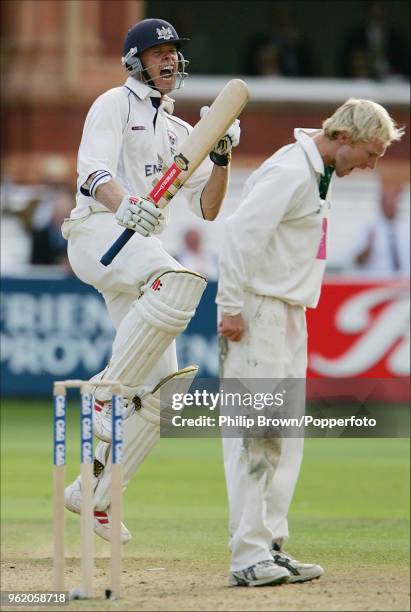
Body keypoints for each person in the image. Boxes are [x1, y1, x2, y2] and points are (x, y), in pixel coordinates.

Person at [62, 18, 240, 543]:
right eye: (158, 52)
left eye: (173, 52)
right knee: (178, 278)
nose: (168, 60)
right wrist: (128, 204)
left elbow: (207, 208)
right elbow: (90, 174)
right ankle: (103, 391)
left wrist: (223, 157)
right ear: (135, 60)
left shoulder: (182, 132)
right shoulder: (113, 104)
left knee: (169, 384)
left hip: (135, 249)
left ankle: (92, 493)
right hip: (96, 233)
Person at [216, 98, 404, 587]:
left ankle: (270, 544)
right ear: (344, 137)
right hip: (258, 311)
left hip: (287, 311)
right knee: (256, 435)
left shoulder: (316, 171)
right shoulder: (291, 171)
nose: (371, 164)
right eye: (371, 151)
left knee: (285, 438)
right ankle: (247, 556)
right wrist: (230, 305)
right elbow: (238, 234)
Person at [354, 185, 409, 276]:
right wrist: (369, 246)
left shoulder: (406, 228)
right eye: (388, 203)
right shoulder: (369, 228)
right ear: (381, 204)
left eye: (393, 203)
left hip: (403, 282)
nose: (391, 206)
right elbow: (357, 261)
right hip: (377, 281)